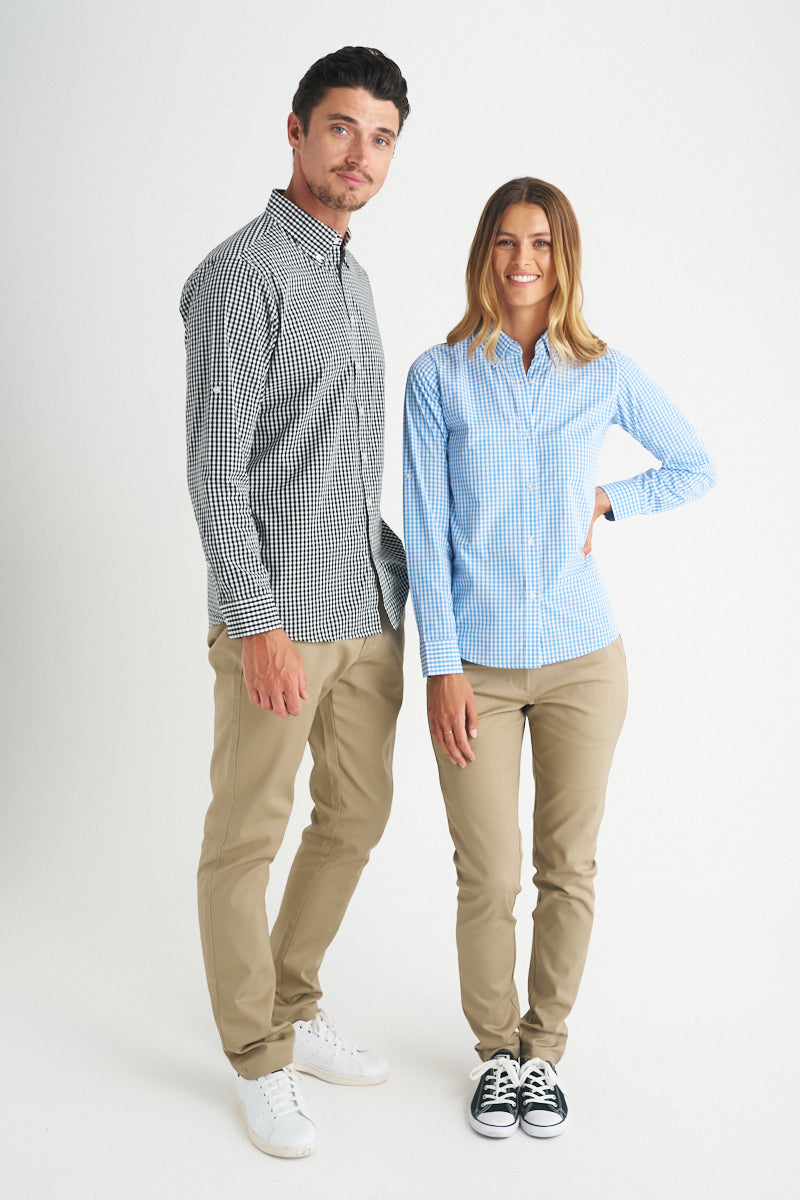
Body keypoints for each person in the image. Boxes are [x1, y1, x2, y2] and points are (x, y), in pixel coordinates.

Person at [403, 177, 715, 1140]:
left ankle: (543, 1054)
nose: (523, 259)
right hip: (477, 670)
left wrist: (610, 500)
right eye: (506, 240)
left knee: (567, 867)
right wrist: (441, 667)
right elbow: (425, 533)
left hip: (584, 660)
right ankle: (495, 1054)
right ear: (484, 253)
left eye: (540, 242)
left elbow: (694, 465)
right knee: (489, 876)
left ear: (563, 255)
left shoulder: (604, 372)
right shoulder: (439, 376)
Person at [180, 46, 409, 1159]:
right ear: (296, 130)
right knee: (245, 840)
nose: (358, 154)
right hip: (277, 616)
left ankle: (294, 999)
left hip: (363, 606)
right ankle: (255, 1057)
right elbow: (215, 469)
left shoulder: (352, 279)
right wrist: (258, 622)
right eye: (340, 128)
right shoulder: (240, 275)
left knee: (356, 814)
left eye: (381, 138)